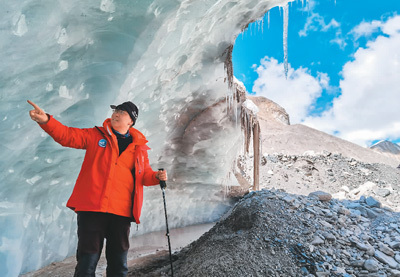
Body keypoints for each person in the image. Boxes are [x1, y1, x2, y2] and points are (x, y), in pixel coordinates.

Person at [27, 100, 167, 277]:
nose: (116, 113)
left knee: (119, 266)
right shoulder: (96, 135)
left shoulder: (139, 148)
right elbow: (67, 135)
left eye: (122, 112)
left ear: (131, 121)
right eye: (116, 110)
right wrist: (46, 120)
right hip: (92, 208)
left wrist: (155, 176)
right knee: (87, 264)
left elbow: (144, 175)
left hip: (121, 212)